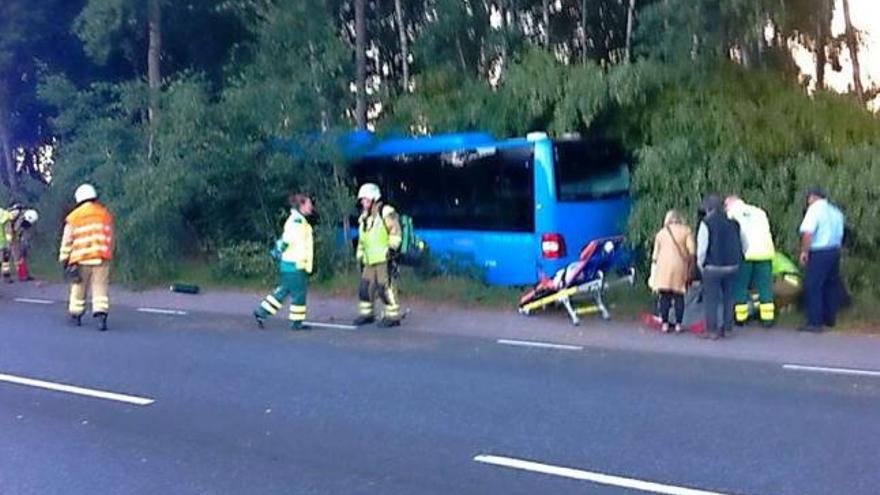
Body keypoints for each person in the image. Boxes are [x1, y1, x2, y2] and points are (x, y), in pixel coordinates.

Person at [253, 193, 315, 331]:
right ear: (302, 205)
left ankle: (261, 312)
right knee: (299, 295)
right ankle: (296, 323)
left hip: (290, 264)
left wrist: (278, 251)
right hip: (295, 264)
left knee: (282, 292)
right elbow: (287, 240)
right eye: (309, 204)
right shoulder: (297, 222)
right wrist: (278, 250)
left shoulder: (297, 220)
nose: (311, 207)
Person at [58, 184, 113, 331]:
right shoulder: (104, 214)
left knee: (78, 288)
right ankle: (101, 315)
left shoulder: (74, 217)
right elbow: (110, 236)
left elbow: (67, 240)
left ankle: (76, 315)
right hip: (101, 258)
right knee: (100, 288)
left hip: (81, 259)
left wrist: (64, 259)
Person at [353, 183, 403, 327]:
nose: (363, 202)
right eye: (362, 200)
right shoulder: (364, 217)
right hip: (369, 260)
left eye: (365, 199)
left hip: (384, 258)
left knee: (384, 288)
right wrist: (360, 255)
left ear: (374, 198)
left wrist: (392, 249)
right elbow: (362, 240)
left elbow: (395, 231)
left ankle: (393, 317)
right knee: (365, 288)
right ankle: (367, 314)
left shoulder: (386, 212)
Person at [798, 186, 845, 333]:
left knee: (813, 286)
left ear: (812, 197)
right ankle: (829, 318)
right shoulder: (835, 211)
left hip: (819, 252)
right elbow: (841, 233)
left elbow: (807, 232)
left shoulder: (814, 210)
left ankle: (814, 322)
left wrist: (804, 251)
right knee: (831, 285)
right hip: (834, 251)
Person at [696, 195, 742, 340]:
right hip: (732, 265)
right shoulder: (733, 223)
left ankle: (712, 331)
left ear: (708, 208)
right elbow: (743, 243)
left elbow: (702, 247)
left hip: (713, 266)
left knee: (711, 300)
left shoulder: (706, 223)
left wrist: (700, 264)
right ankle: (727, 329)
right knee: (729, 298)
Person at [725, 195, 775, 327]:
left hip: (745, 253)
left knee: (740, 285)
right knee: (765, 286)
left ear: (729, 204)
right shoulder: (759, 212)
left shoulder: (732, 213)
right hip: (765, 252)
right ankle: (768, 319)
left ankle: (741, 318)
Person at [649, 210, 695, 333]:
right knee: (679, 296)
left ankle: (664, 324)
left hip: (663, 267)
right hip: (680, 266)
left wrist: (653, 269)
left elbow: (655, 254)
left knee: (665, 296)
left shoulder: (661, 233)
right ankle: (678, 325)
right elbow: (692, 251)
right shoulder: (686, 231)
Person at [0, 207, 11, 282]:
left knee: (4, 260)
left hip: (1, 243)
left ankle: (6, 275)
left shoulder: (3, 214)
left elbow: (8, 229)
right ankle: (6, 276)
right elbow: (8, 229)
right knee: (4, 260)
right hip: (2, 243)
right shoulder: (3, 213)